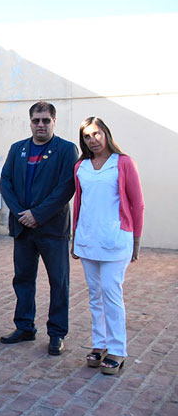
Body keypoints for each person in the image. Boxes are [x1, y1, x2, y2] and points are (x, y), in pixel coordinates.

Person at [0, 101, 78, 356]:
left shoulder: (66, 150)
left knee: (59, 282)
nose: (40, 125)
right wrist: (23, 215)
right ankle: (24, 327)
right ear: (30, 122)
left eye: (45, 120)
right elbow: (6, 182)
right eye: (36, 120)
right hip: (23, 229)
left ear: (54, 121)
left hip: (52, 229)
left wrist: (38, 214)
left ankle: (56, 333)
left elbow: (67, 187)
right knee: (22, 280)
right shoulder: (17, 149)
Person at [72, 117, 144, 374]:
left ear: (106, 134)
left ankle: (117, 349)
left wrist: (136, 240)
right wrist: (74, 238)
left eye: (96, 134)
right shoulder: (80, 166)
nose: (92, 140)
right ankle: (100, 343)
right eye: (87, 136)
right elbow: (78, 204)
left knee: (111, 292)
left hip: (116, 238)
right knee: (94, 294)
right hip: (87, 239)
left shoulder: (123, 163)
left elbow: (137, 204)